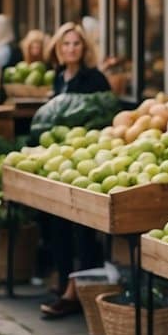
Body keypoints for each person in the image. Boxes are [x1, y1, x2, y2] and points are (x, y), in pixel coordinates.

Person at [40, 23, 112, 319]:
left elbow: (106, 115)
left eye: (76, 44)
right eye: (66, 44)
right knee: (55, 222)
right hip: (61, 159)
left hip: (88, 157)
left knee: (81, 227)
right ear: (58, 48)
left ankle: (75, 289)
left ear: (85, 49)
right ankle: (65, 278)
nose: (71, 49)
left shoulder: (94, 79)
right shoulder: (59, 79)